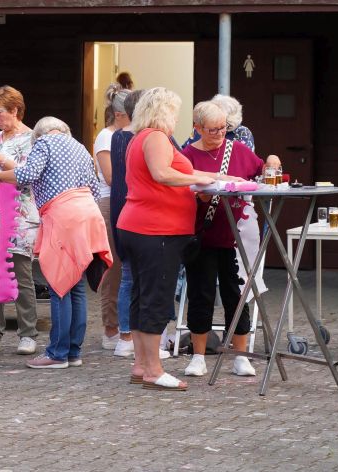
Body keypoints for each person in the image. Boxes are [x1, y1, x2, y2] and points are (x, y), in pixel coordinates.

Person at [116, 87, 236, 391]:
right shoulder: (156, 137)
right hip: (156, 230)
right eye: (175, 111)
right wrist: (200, 179)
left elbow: (170, 174)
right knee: (155, 298)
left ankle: (141, 365)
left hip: (139, 227)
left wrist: (219, 178)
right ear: (164, 111)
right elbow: (162, 174)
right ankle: (153, 371)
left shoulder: (139, 137)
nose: (177, 118)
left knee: (142, 297)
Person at [0, 117, 105, 369]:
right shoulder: (79, 146)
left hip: (63, 216)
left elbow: (27, 174)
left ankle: (57, 353)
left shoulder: (44, 143)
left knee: (59, 284)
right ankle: (73, 351)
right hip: (87, 215)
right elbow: (95, 189)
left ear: (38, 135)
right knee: (76, 287)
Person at [180, 101, 277, 378]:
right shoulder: (187, 156)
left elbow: (261, 172)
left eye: (224, 128)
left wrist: (271, 161)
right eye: (213, 130)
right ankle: (198, 356)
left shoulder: (238, 149)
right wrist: (198, 197)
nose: (220, 134)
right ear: (197, 128)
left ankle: (241, 356)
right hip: (203, 235)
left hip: (236, 236)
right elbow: (178, 192)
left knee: (237, 294)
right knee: (201, 294)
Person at [0, 85, 40, 356]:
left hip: (20, 214)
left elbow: (28, 174)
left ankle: (28, 333)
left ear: (15, 110)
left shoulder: (32, 139)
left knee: (20, 273)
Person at [93, 84, 132, 351]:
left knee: (125, 266)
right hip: (110, 202)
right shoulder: (106, 137)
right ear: (119, 115)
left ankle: (123, 324)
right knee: (114, 266)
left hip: (126, 200)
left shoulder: (126, 134)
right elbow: (110, 177)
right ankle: (110, 327)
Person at [108, 89, 144, 358]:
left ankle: (125, 337)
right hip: (142, 212)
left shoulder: (119, 136)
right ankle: (147, 337)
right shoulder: (148, 136)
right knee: (145, 278)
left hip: (122, 209)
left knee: (128, 276)